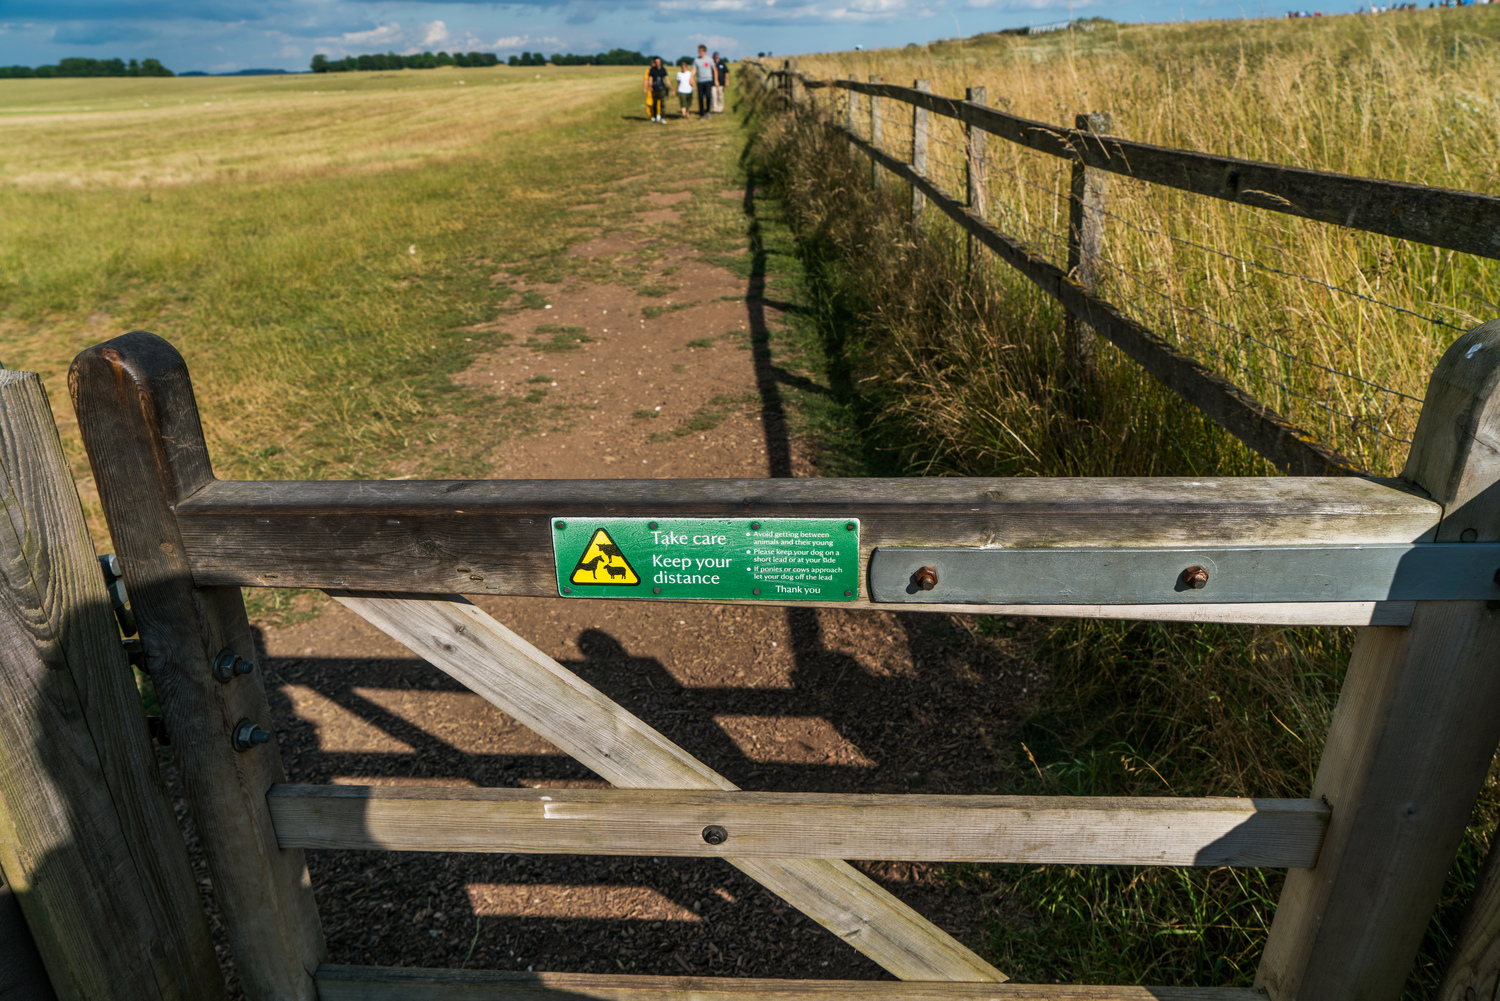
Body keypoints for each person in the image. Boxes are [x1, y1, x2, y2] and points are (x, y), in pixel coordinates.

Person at [643, 56, 669, 123]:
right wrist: (646, 88)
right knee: (652, 103)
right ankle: (653, 116)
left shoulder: (662, 69)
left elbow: (666, 79)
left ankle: (660, 116)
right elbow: (647, 80)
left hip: (661, 89)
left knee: (661, 103)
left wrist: (670, 88)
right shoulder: (650, 71)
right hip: (652, 89)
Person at [693, 45, 714, 119]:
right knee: (700, 98)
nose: (699, 52)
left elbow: (714, 69)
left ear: (704, 51)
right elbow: (694, 69)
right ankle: (701, 114)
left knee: (708, 96)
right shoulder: (696, 60)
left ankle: (707, 110)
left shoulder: (709, 59)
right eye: (698, 51)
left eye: (701, 51)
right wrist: (691, 76)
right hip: (700, 81)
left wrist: (716, 79)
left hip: (708, 80)